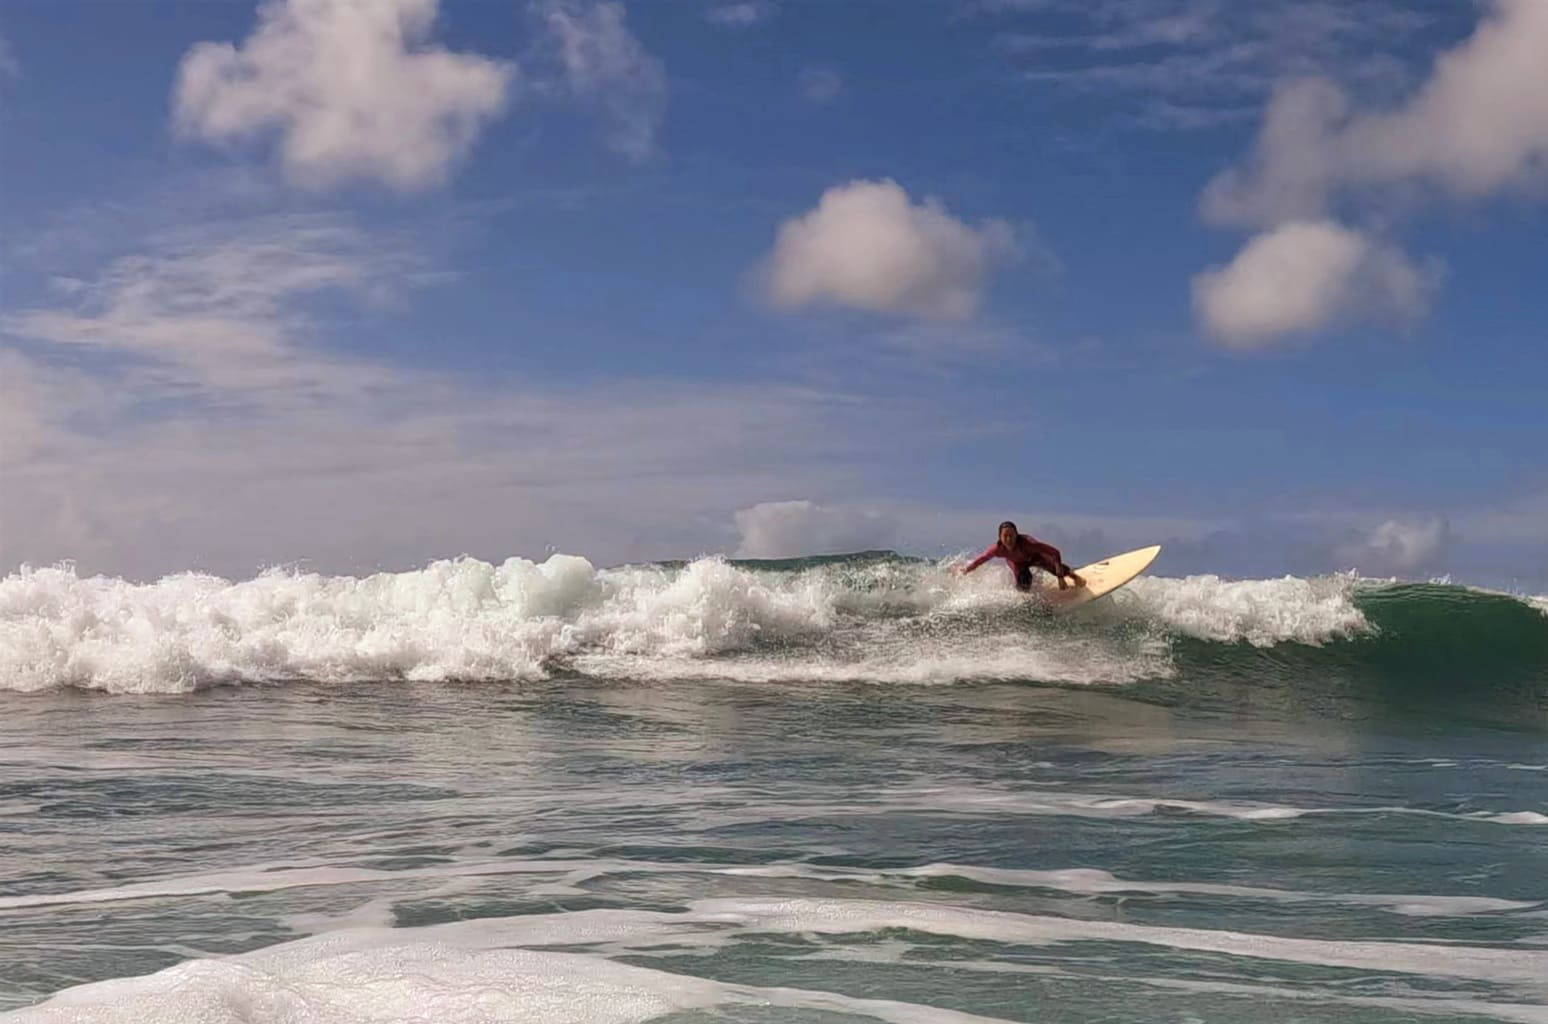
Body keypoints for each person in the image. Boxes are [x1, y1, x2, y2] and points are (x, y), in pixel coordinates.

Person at [955, 521, 1086, 592]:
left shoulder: (1029, 543)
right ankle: (1030, 603)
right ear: (999, 537)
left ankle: (1074, 576)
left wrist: (1060, 578)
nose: (1008, 538)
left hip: (1035, 557)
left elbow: (1055, 552)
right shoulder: (997, 549)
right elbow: (981, 559)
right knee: (1023, 582)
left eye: (1011, 535)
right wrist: (966, 570)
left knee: (1054, 567)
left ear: (1017, 534)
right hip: (1018, 563)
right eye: (1005, 536)